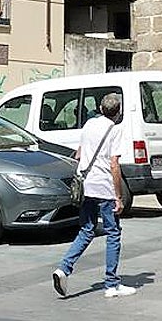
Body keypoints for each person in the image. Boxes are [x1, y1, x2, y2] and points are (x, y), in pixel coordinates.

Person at [52, 92, 136, 299]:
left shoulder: (89, 124)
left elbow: (79, 154)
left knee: (87, 230)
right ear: (119, 112)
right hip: (104, 188)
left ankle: (64, 268)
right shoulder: (115, 130)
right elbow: (114, 165)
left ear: (100, 108)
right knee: (113, 233)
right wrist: (118, 197)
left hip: (86, 186)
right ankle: (111, 284)